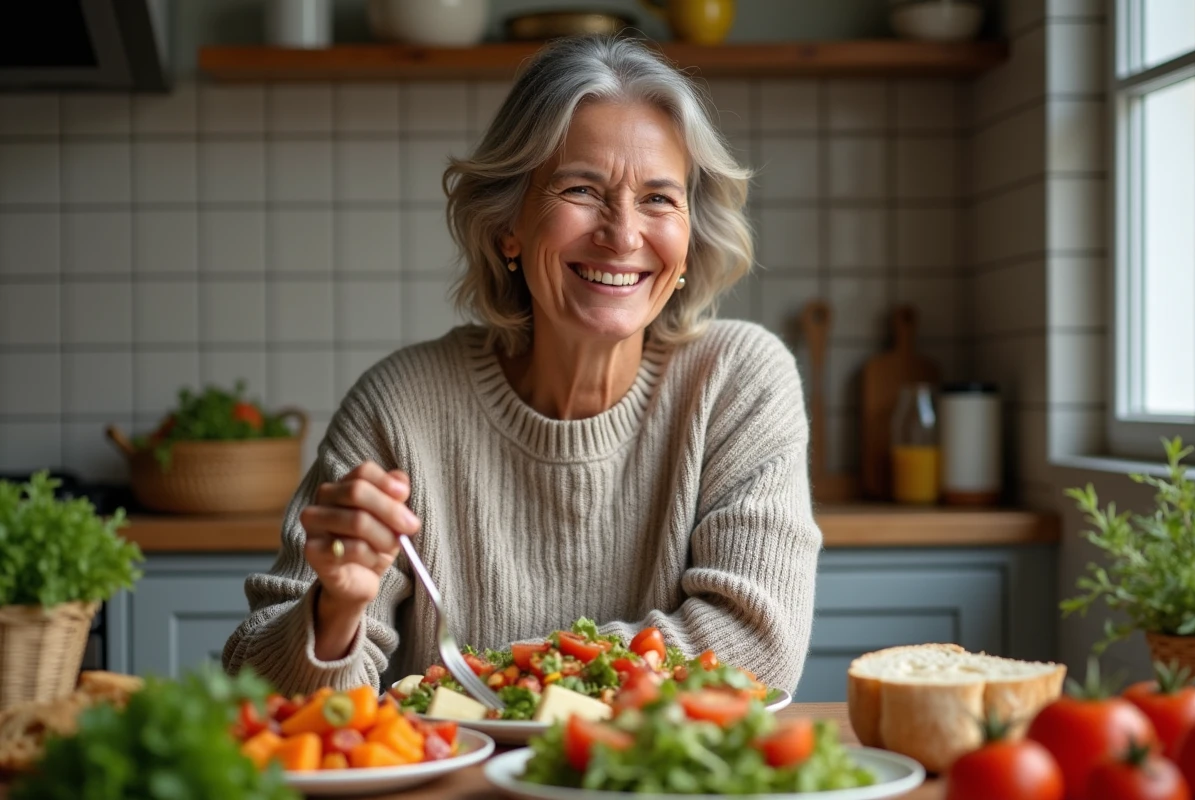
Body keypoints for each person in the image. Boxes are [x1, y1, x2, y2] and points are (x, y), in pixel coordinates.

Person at [222, 34, 821, 697]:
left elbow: (754, 647)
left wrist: (505, 680)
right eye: (581, 189)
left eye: (658, 198)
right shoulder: (399, 408)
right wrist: (331, 613)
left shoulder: (740, 381)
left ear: (688, 236)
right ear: (509, 226)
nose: (622, 234)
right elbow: (263, 690)